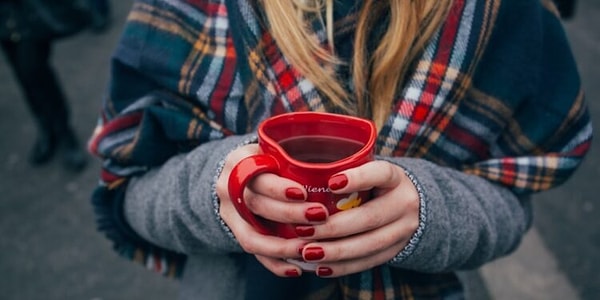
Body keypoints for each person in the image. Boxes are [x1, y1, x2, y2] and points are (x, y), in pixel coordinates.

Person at [87, 0, 592, 299]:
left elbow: (510, 206)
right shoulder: (194, 6)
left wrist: (431, 211)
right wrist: (219, 189)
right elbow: (129, 194)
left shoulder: (498, 15)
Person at [1, 0, 88, 171]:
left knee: (34, 69)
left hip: (28, 12)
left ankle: (65, 132)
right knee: (23, 76)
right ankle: (46, 129)